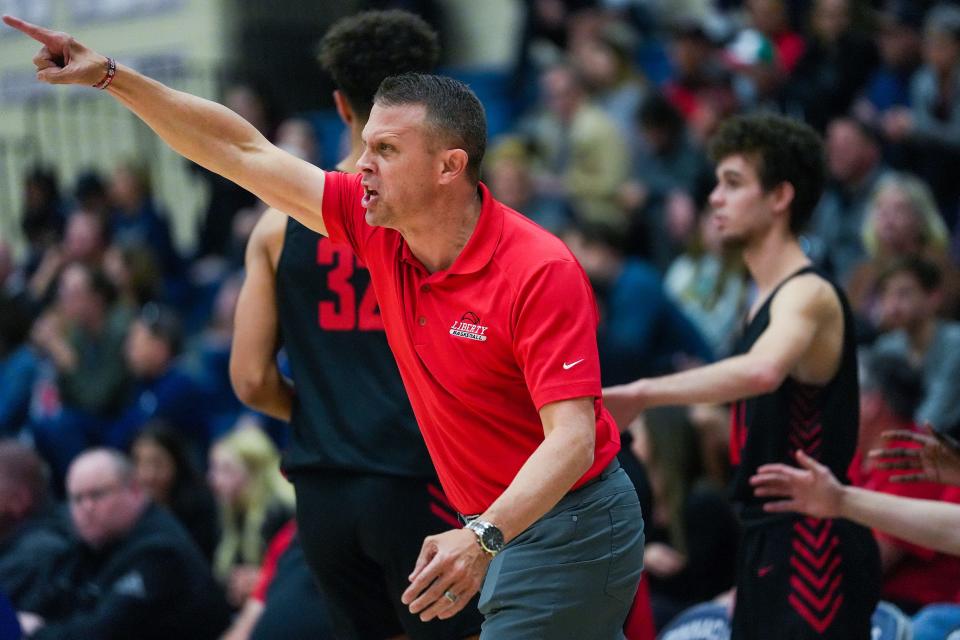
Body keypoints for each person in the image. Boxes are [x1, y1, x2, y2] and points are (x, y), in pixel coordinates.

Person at [1, 12, 644, 637]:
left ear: (449, 166)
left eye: (386, 151)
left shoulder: (538, 268)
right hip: (483, 522)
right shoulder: (374, 231)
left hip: (567, 523)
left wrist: (480, 535)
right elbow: (239, 149)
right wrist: (112, 77)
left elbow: (572, 441)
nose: (361, 165)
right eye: (366, 145)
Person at [228, 10, 484, 639]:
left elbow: (251, 381)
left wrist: (329, 412)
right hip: (420, 476)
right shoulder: (451, 214)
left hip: (323, 493)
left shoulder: (273, 227)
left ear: (339, 101)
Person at [605, 113, 880, 639]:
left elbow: (764, 369)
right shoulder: (759, 302)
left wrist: (645, 393)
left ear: (779, 196)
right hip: (768, 539)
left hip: (813, 544)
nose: (714, 199)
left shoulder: (807, 293)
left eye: (733, 183)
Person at [14, 448, 231, 639]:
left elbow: (103, 633)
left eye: (97, 495)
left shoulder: (160, 552)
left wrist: (37, 633)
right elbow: (55, 596)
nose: (86, 508)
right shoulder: (98, 541)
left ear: (135, 490)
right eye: (77, 498)